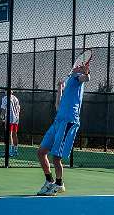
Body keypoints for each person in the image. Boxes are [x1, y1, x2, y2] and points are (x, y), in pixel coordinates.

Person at [37, 63, 90, 196]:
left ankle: (59, 184)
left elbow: (87, 78)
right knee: (41, 152)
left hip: (69, 121)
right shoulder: (68, 83)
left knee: (56, 157)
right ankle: (49, 181)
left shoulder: (77, 79)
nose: (76, 67)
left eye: (79, 66)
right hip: (57, 121)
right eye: (76, 66)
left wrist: (86, 72)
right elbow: (57, 105)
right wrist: (59, 89)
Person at [0, 90, 21, 157]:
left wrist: (1, 118)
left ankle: (10, 152)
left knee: (9, 135)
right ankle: (15, 151)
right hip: (16, 119)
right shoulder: (16, 98)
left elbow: (3, 110)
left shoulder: (5, 98)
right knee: (15, 134)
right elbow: (19, 109)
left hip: (10, 119)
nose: (5, 92)